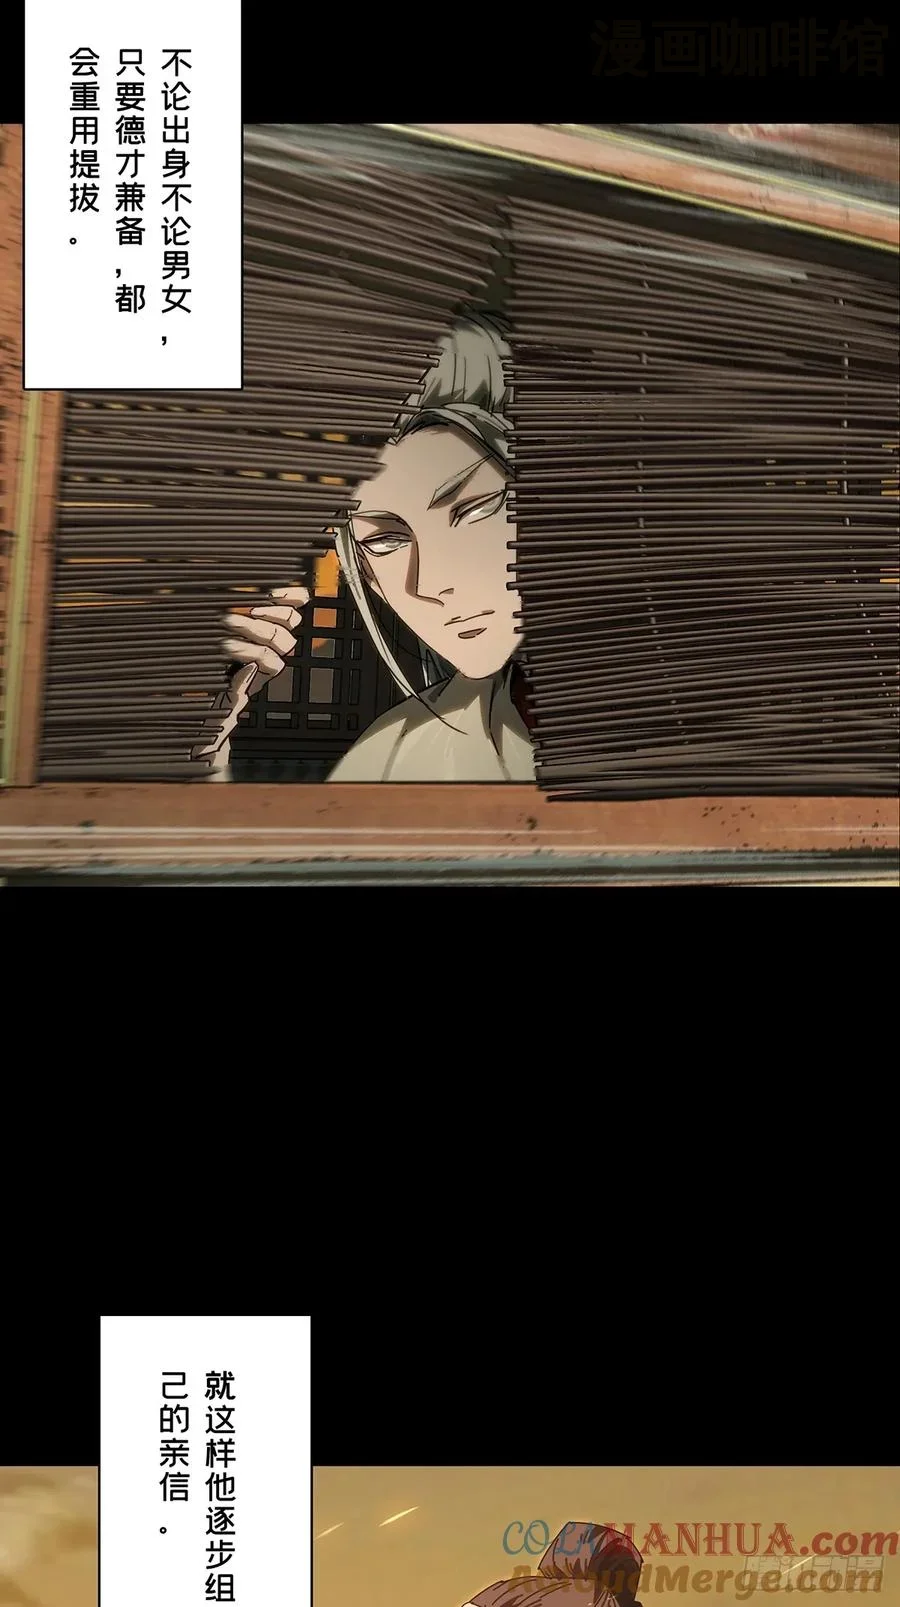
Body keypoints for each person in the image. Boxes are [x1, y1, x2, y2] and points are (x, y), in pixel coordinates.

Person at [191, 311, 536, 782]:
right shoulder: (397, 756)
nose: (430, 584)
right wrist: (204, 748)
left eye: (474, 511)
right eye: (386, 540)